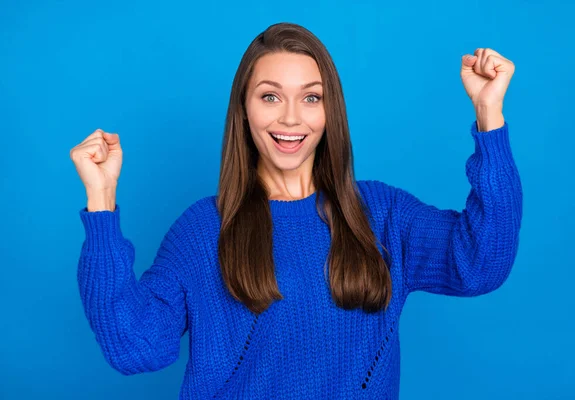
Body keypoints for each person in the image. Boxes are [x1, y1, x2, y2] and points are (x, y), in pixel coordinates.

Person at [70, 22, 522, 399]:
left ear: (330, 112)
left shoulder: (382, 214)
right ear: (243, 111)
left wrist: (489, 114)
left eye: (311, 97)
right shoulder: (203, 230)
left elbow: (481, 263)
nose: (290, 118)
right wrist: (102, 204)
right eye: (270, 96)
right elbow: (135, 347)